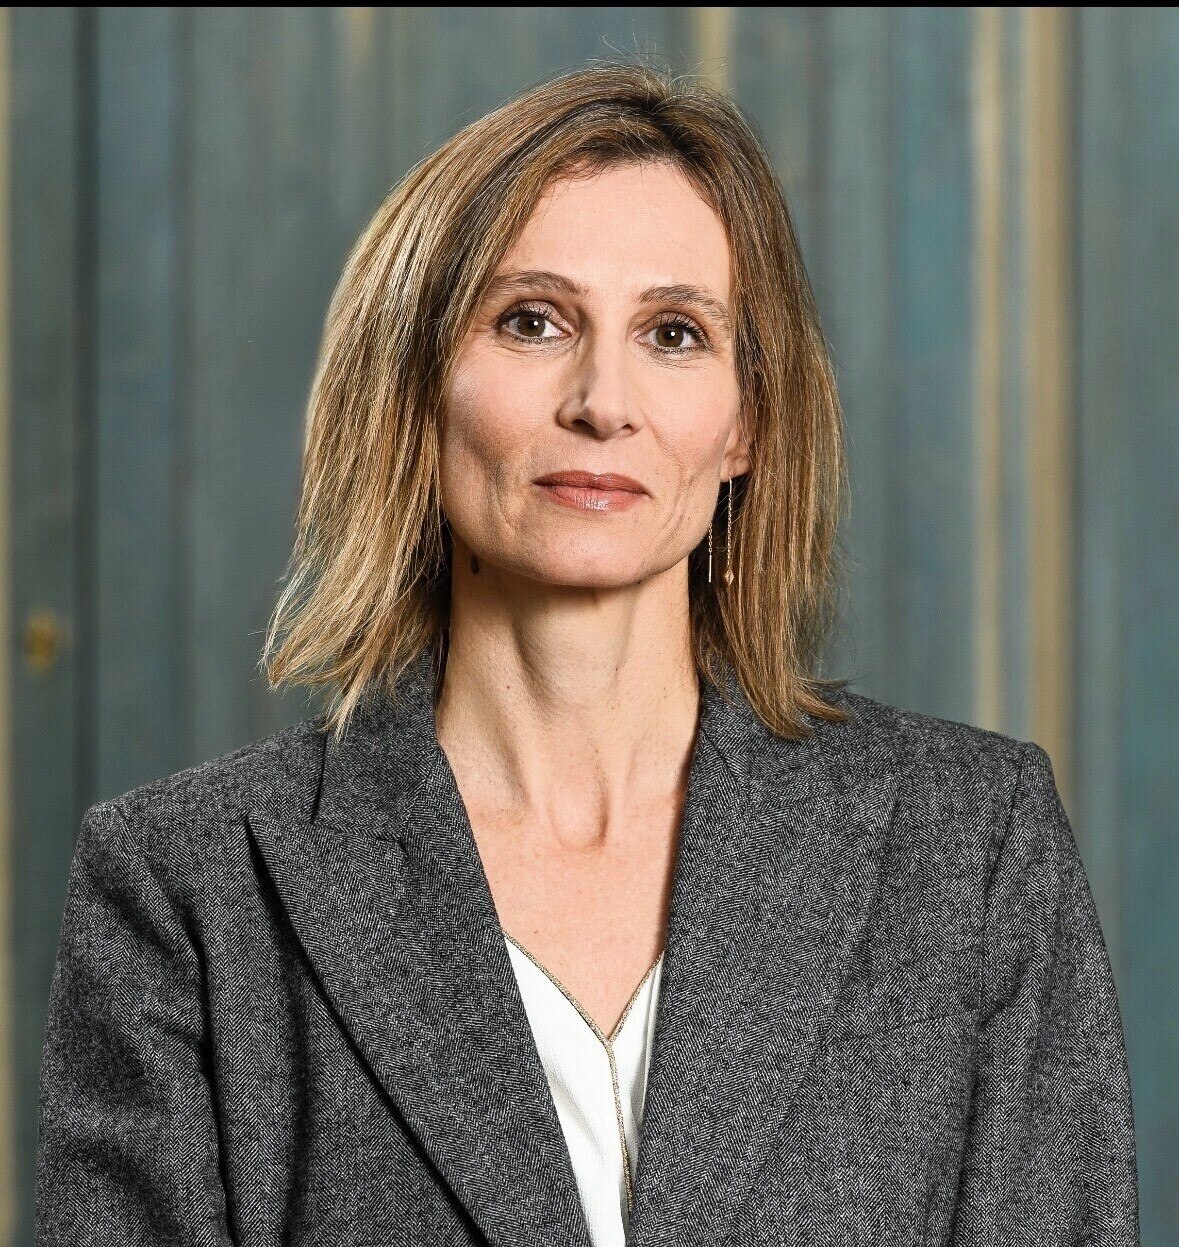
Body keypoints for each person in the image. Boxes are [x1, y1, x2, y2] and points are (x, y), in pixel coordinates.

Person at [36, 62, 1138, 1247]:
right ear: (416, 384)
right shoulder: (187, 885)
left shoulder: (972, 845)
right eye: (533, 321)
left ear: (746, 422)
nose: (603, 401)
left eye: (674, 333)